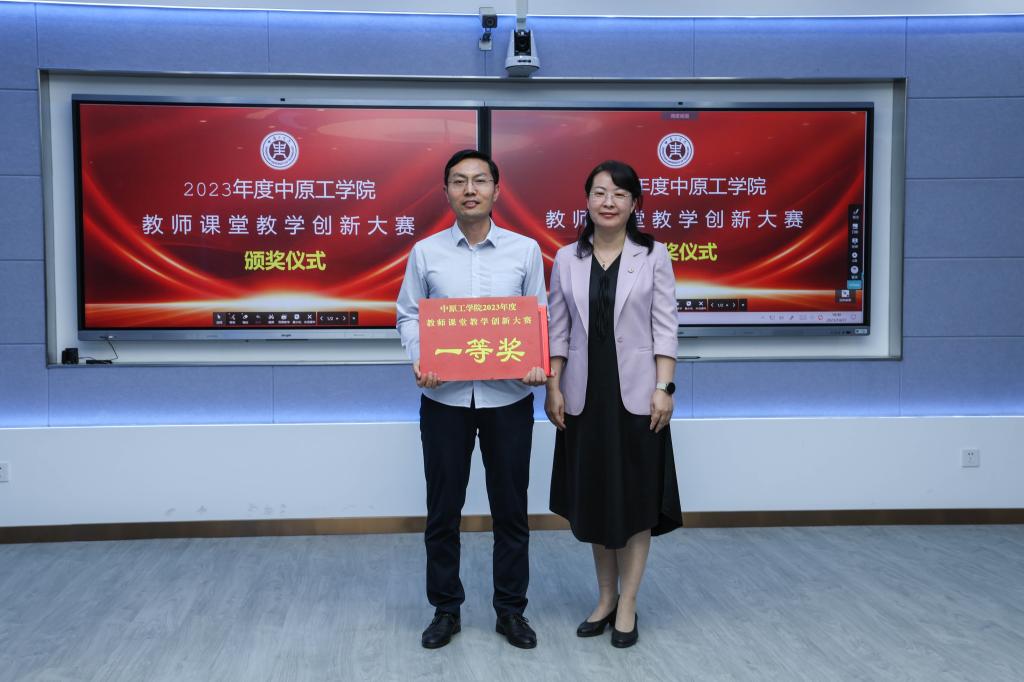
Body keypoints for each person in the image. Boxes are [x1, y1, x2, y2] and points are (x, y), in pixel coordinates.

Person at [396, 149, 548, 650]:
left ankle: (511, 611)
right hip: (445, 400)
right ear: (446, 192)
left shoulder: (524, 250)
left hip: (509, 399)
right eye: (459, 181)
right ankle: (446, 609)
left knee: (512, 511)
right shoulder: (426, 253)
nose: (470, 189)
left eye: (479, 180)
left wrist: (537, 362)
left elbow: (540, 316)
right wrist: (421, 357)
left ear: (496, 190)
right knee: (443, 511)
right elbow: (408, 315)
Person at [545, 160, 683, 649]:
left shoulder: (654, 255)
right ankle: (605, 598)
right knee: (597, 499)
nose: (609, 202)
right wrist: (553, 386)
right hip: (584, 396)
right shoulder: (567, 258)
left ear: (634, 203)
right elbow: (557, 329)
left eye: (620, 194)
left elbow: (666, 326)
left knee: (636, 499)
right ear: (586, 200)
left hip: (639, 396)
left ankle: (629, 602)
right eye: (600, 192)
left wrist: (664, 387)